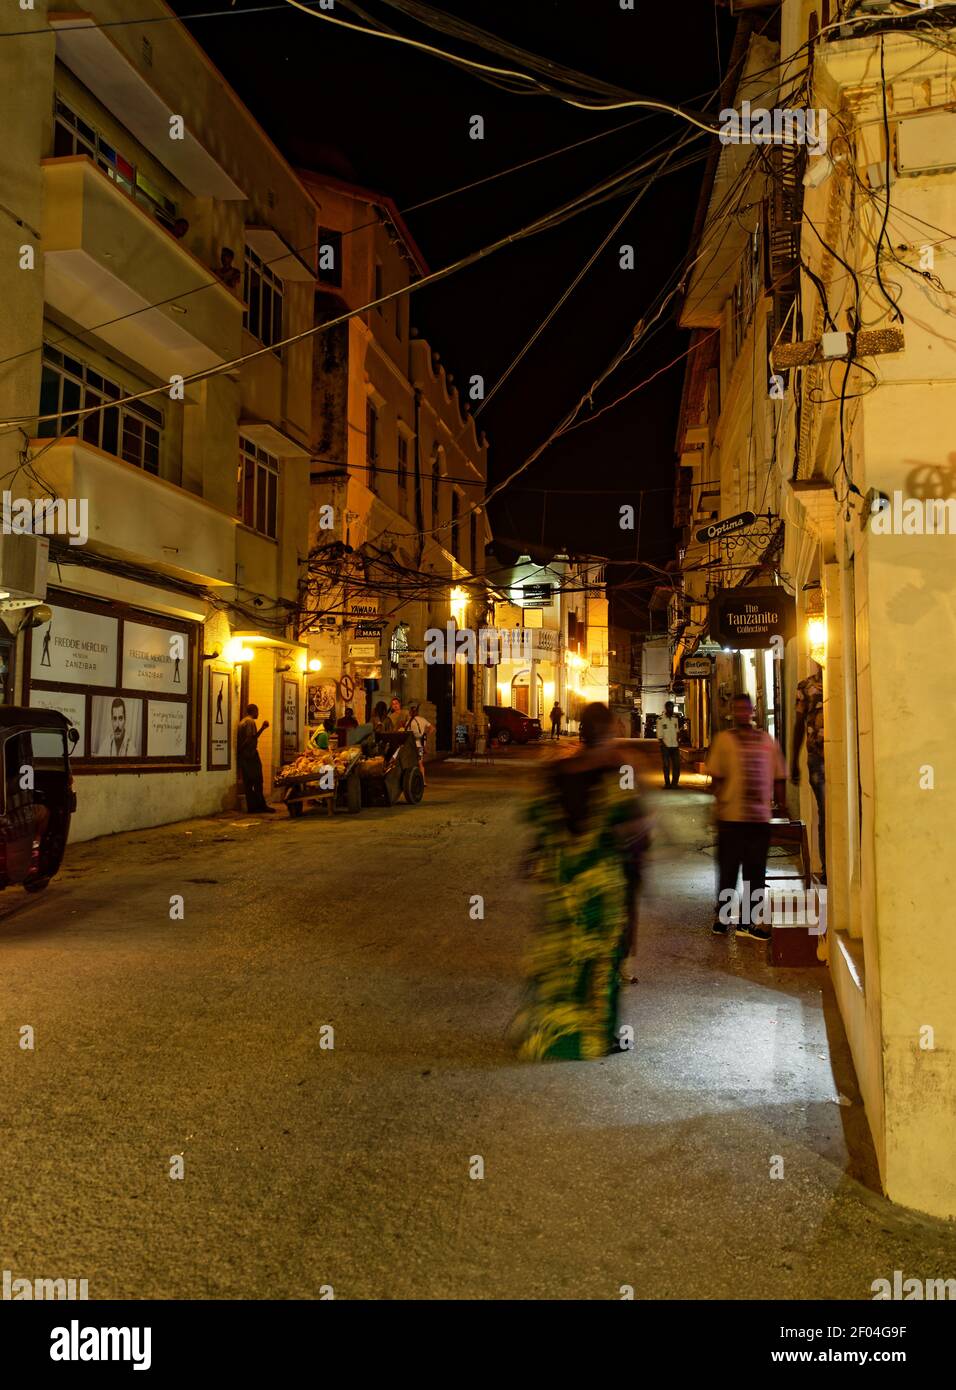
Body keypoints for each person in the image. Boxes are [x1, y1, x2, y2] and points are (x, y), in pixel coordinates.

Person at [516, 702, 652, 1061]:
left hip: (562, 880)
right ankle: (597, 1038)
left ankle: (550, 1035)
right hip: (602, 884)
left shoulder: (557, 770)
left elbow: (540, 820)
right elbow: (635, 826)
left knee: (561, 959)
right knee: (601, 962)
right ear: (607, 732)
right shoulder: (616, 771)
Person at [706, 693, 786, 941]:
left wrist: (779, 807)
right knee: (729, 871)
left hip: (759, 820)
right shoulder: (724, 741)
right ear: (733, 711)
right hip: (731, 818)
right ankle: (723, 918)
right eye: (738, 708)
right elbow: (716, 778)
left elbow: (778, 777)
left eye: (746, 708)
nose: (742, 712)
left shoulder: (767, 741)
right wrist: (720, 802)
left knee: (756, 873)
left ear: (752, 711)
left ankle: (747, 922)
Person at [791, 662, 826, 882]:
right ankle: (827, 868)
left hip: (844, 755)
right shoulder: (806, 686)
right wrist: (793, 759)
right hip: (817, 758)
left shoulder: (842, 679)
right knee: (825, 810)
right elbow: (798, 724)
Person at [236, 703, 273, 813]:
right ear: (253, 711)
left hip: (244, 755)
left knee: (248, 782)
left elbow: (252, 737)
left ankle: (252, 807)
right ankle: (261, 805)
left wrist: (262, 728)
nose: (258, 713)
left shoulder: (243, 721)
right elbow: (249, 739)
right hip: (250, 754)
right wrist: (243, 750)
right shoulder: (250, 722)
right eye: (257, 711)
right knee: (257, 780)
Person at [406, 703, 432, 783]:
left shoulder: (409, 722)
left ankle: (412, 780)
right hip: (420, 746)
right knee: (420, 763)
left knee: (411, 763)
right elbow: (432, 728)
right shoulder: (422, 719)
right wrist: (425, 734)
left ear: (410, 712)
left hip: (411, 746)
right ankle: (423, 781)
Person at [657, 700, 681, 788]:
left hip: (675, 746)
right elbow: (659, 736)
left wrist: (678, 741)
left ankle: (675, 784)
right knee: (666, 766)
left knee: (677, 765)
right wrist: (663, 745)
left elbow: (677, 731)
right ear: (666, 708)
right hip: (665, 746)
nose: (671, 709)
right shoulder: (660, 720)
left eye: (672, 707)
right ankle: (667, 784)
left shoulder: (675, 719)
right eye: (669, 708)